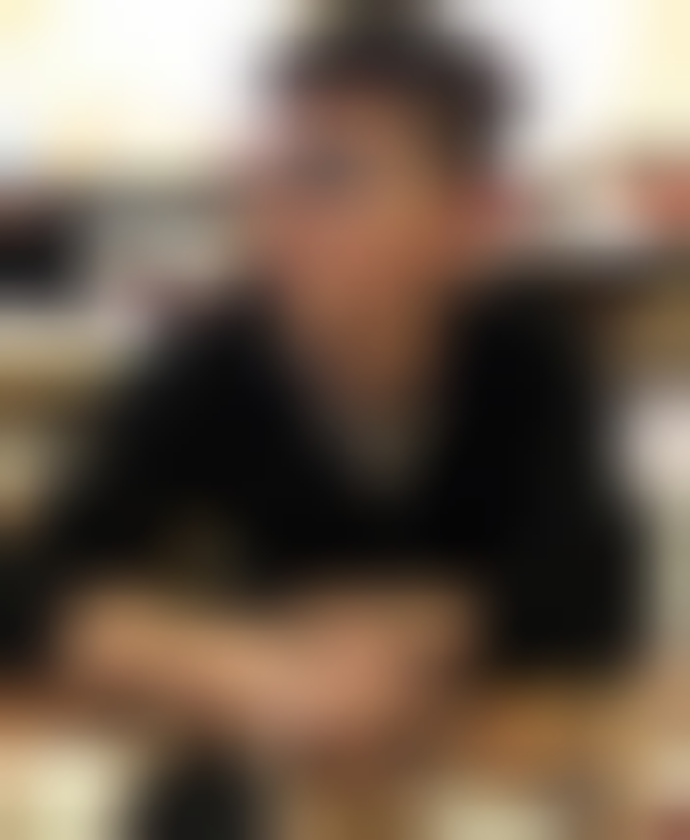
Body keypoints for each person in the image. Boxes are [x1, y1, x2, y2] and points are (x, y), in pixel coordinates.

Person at [22, 26, 632, 839]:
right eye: (262, 179)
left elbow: (595, 597)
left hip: (473, 778)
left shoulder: (535, 364)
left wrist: (436, 623)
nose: (270, 217)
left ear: (472, 220)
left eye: (329, 178)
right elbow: (28, 588)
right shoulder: (217, 364)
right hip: (272, 780)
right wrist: (246, 670)